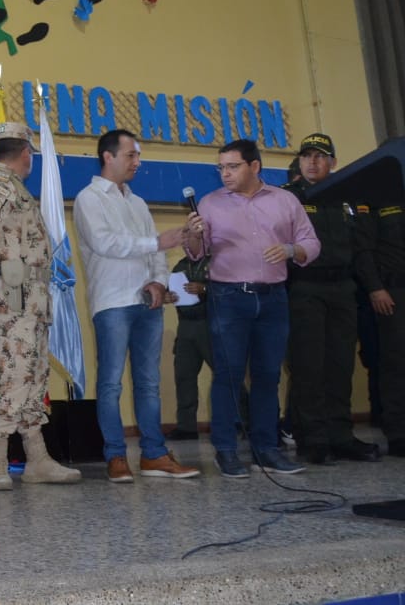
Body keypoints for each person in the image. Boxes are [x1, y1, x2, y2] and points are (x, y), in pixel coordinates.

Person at [185, 138, 319, 478]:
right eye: (221, 168)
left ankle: (266, 449)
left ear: (254, 167)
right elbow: (196, 254)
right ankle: (226, 450)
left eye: (232, 167)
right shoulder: (210, 204)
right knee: (228, 376)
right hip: (229, 297)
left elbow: (311, 242)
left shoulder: (285, 200)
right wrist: (195, 235)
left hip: (274, 298)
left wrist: (291, 250)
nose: (225, 174)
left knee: (267, 375)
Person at [73, 130, 200, 482]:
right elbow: (105, 243)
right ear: (108, 157)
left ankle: (154, 454)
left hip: (148, 302)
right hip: (112, 301)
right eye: (131, 155)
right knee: (111, 383)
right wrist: (157, 241)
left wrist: (159, 281)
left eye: (138, 156)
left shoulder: (138, 202)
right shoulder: (88, 198)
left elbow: (157, 252)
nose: (137, 163)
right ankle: (115, 456)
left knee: (148, 383)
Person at [0, 122, 80, 490]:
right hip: (8, 296)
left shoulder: (15, 189)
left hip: (29, 299)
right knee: (11, 375)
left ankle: (37, 459)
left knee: (32, 378)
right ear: (26, 153)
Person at [282, 133, 380, 465]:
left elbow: (362, 248)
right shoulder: (288, 199)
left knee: (340, 364)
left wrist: (374, 286)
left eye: (320, 156)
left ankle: (340, 435)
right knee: (309, 366)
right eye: (307, 156)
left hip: (343, 289)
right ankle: (313, 438)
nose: (312, 161)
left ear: (333, 162)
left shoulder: (348, 198)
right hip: (305, 288)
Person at [358, 201, 405, 458]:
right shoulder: (381, 196)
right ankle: (398, 433)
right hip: (394, 291)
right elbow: (364, 249)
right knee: (396, 363)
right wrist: (375, 287)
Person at [167, 254, 212, 440]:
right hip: (185, 324)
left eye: (190, 236)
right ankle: (187, 427)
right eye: (184, 237)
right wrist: (170, 296)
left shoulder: (216, 261)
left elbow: (229, 289)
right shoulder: (180, 266)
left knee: (228, 376)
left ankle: (243, 422)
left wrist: (205, 289)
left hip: (210, 323)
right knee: (183, 375)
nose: (186, 241)